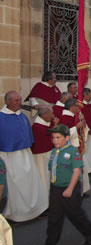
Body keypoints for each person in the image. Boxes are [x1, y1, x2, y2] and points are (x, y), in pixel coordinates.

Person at [35, 124, 91, 245]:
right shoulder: (54, 152)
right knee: (53, 218)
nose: (55, 140)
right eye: (53, 138)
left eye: (58, 137)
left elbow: (76, 171)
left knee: (75, 214)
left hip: (70, 188)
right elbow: (52, 170)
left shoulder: (72, 151)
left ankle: (90, 233)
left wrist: (70, 189)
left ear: (67, 138)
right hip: (56, 189)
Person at [0, 91, 47, 222]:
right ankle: (14, 213)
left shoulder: (22, 116)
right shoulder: (1, 117)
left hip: (25, 154)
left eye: (20, 100)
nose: (19, 103)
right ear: (8, 101)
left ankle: (35, 210)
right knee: (14, 185)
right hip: (9, 156)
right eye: (16, 100)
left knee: (30, 182)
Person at [31, 106, 55, 205]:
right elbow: (46, 133)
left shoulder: (46, 123)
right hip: (41, 156)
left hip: (48, 154)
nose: (53, 116)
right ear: (44, 115)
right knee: (43, 179)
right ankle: (44, 203)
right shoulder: (37, 126)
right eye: (51, 114)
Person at [80, 88, 91, 174]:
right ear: (85, 95)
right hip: (86, 132)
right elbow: (83, 120)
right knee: (86, 151)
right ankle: (88, 169)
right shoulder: (81, 106)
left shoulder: (89, 105)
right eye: (90, 94)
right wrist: (88, 129)